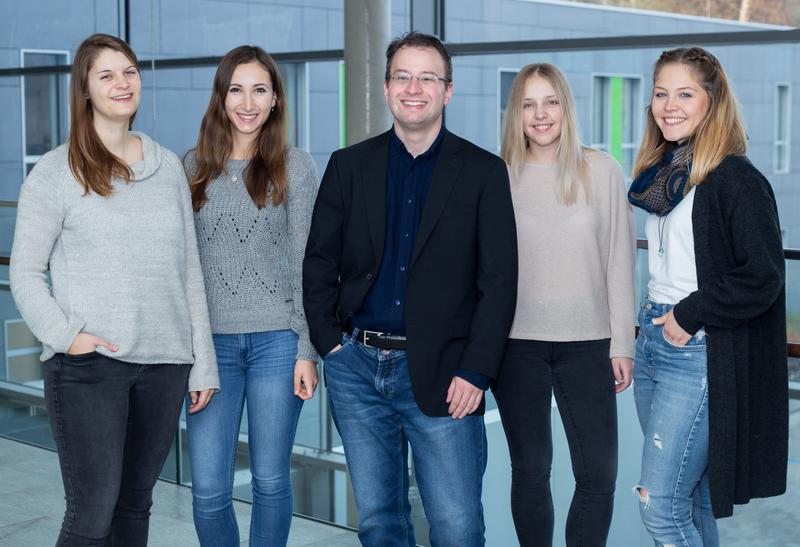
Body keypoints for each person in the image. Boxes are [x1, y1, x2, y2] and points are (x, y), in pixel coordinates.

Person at [303, 31, 518, 547]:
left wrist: (476, 370)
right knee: (379, 523)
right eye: (403, 76)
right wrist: (331, 346)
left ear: (448, 90)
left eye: (428, 77)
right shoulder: (348, 165)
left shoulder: (484, 172)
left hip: (447, 374)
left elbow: (500, 280)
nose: (414, 88)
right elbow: (318, 262)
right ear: (386, 88)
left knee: (457, 526)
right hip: (356, 366)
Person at [9, 33, 218, 546]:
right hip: (90, 367)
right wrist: (67, 335)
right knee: (91, 513)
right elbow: (25, 272)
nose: (122, 84)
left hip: (164, 366)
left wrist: (202, 362)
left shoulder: (168, 167)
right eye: (106, 75)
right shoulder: (57, 172)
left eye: (129, 71)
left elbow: (188, 272)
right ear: (84, 89)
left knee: (133, 507)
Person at [628, 46, 787, 546]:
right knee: (689, 500)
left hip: (694, 348)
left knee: (659, 507)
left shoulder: (735, 178)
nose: (668, 105)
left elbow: (763, 274)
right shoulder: (665, 173)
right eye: (660, 93)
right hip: (654, 340)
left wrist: (691, 313)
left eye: (684, 93)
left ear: (712, 102)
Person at [183, 45, 319, 547]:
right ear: (221, 99)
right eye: (236, 89)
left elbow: (309, 263)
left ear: (276, 100)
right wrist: (192, 351)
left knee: (269, 481)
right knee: (209, 491)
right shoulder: (191, 168)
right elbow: (184, 269)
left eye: (259, 89)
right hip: (211, 347)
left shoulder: (296, 166)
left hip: (277, 345)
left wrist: (307, 349)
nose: (248, 101)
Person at [495, 63, 636, 547]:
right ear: (516, 112)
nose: (540, 114)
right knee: (531, 469)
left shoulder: (602, 170)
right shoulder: (497, 176)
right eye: (529, 104)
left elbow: (619, 260)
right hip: (515, 345)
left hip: (589, 344)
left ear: (565, 108)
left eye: (550, 102)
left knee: (599, 476)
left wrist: (623, 343)